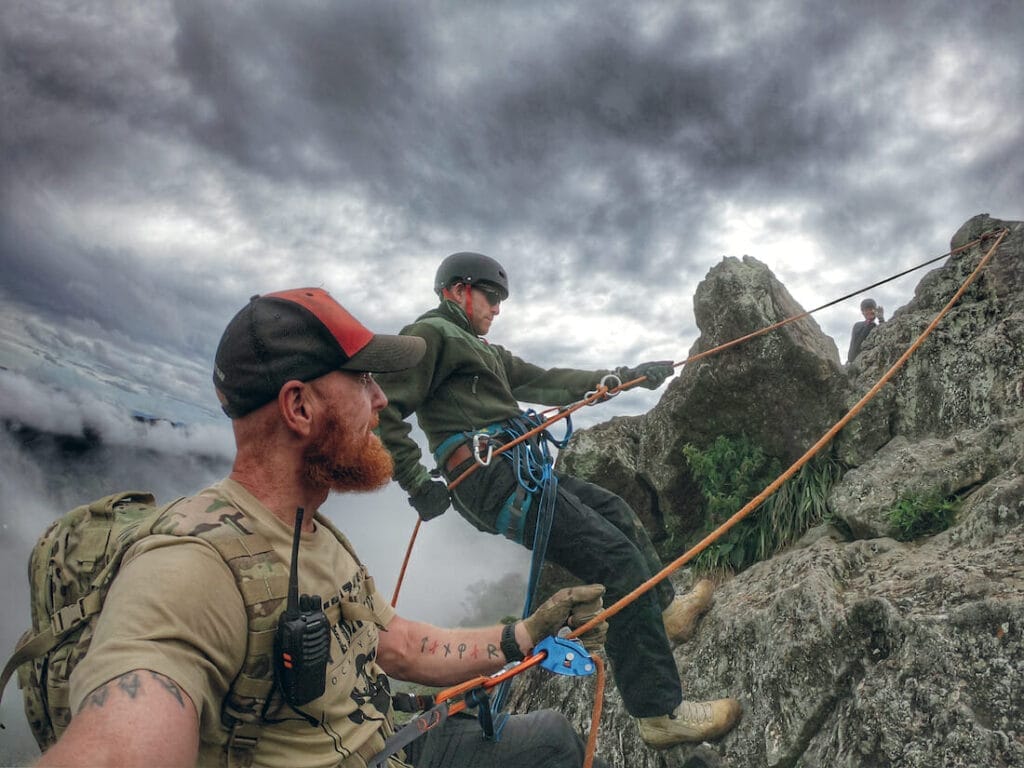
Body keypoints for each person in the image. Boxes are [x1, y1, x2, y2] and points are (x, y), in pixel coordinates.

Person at [37, 287, 613, 768]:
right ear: (299, 407)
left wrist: (526, 633)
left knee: (553, 740)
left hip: (387, 743)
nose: (382, 399)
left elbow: (400, 645)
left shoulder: (315, 532)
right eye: (363, 380)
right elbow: (120, 741)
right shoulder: (191, 565)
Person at [375, 252, 742, 749]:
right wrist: (416, 481)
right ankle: (659, 713)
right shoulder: (429, 336)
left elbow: (543, 379)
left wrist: (619, 376)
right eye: (491, 296)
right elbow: (383, 408)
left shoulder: (484, 351)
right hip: (493, 480)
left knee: (617, 513)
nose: (497, 308)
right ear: (457, 291)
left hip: (519, 470)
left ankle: (663, 613)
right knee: (616, 561)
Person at [848, 297, 885, 362]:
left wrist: (881, 319)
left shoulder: (875, 327)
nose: (869, 312)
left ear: (875, 311)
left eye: (871, 309)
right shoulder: (858, 325)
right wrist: (871, 322)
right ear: (862, 312)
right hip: (855, 359)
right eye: (866, 310)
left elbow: (884, 336)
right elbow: (859, 340)